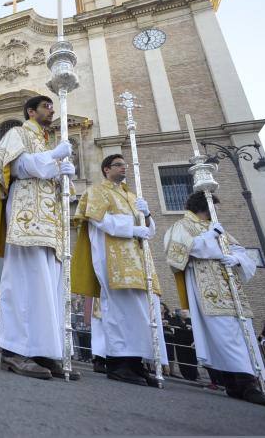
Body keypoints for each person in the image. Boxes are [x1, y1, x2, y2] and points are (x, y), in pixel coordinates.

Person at [0, 95, 80, 380]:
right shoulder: (18, 133)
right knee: (26, 280)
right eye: (46, 106)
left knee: (48, 284)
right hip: (27, 215)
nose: (51, 110)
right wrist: (53, 158)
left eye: (52, 106)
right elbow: (20, 167)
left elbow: (62, 187)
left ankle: (41, 350)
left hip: (50, 221)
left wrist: (65, 174)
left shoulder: (48, 144)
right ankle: (15, 351)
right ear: (31, 111)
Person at [164, 191, 265, 406]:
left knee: (241, 332)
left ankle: (236, 383)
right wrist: (208, 238)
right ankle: (246, 383)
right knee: (226, 333)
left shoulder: (217, 228)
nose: (216, 213)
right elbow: (176, 254)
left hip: (231, 288)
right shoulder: (182, 225)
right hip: (208, 289)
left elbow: (240, 250)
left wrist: (235, 258)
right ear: (205, 207)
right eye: (213, 208)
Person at [73, 153, 167, 387]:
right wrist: (132, 229)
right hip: (113, 257)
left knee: (140, 311)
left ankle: (136, 363)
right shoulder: (97, 191)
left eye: (125, 165)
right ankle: (119, 362)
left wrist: (147, 215)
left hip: (137, 259)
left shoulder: (132, 197)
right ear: (106, 169)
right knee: (120, 309)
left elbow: (149, 231)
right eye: (118, 165)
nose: (123, 168)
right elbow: (99, 219)